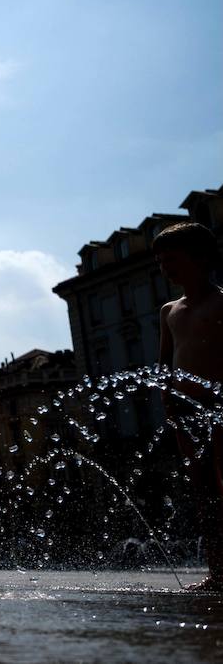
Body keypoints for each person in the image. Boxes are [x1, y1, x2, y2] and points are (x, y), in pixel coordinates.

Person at [154, 221, 223, 592]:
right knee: (204, 494)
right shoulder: (169, 311)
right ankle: (218, 572)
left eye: (172, 260)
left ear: (202, 258)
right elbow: (165, 362)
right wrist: (168, 398)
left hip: (220, 407)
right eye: (161, 262)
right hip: (187, 412)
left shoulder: (221, 302)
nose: (165, 268)